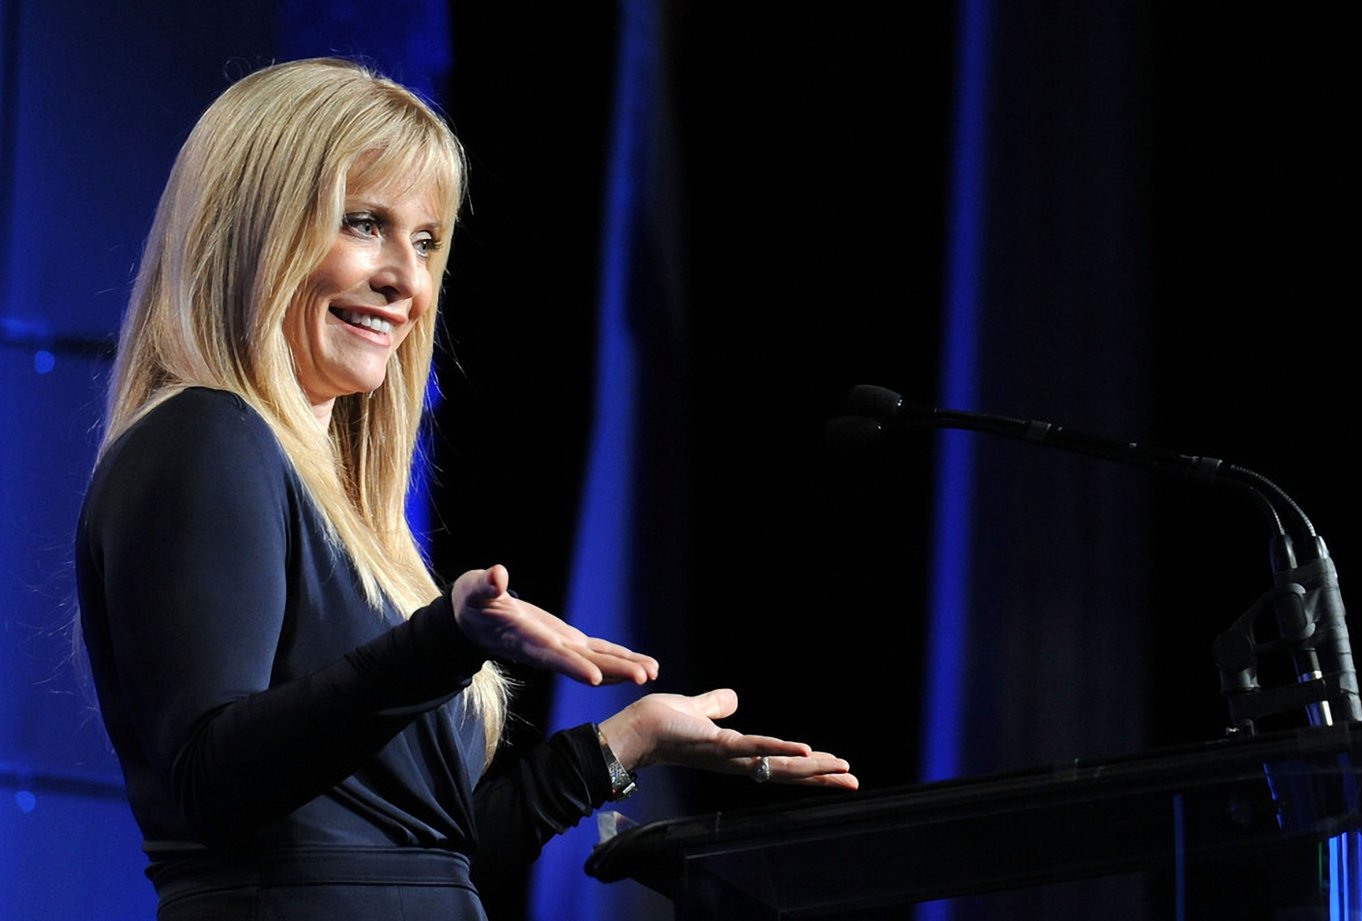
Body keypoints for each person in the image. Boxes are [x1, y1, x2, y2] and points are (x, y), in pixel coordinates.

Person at [73, 57, 856, 921]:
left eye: (425, 241)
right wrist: (441, 641)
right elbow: (211, 785)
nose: (407, 283)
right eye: (363, 223)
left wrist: (622, 742)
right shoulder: (205, 435)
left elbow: (426, 857)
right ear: (253, 227)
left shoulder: (336, 499)